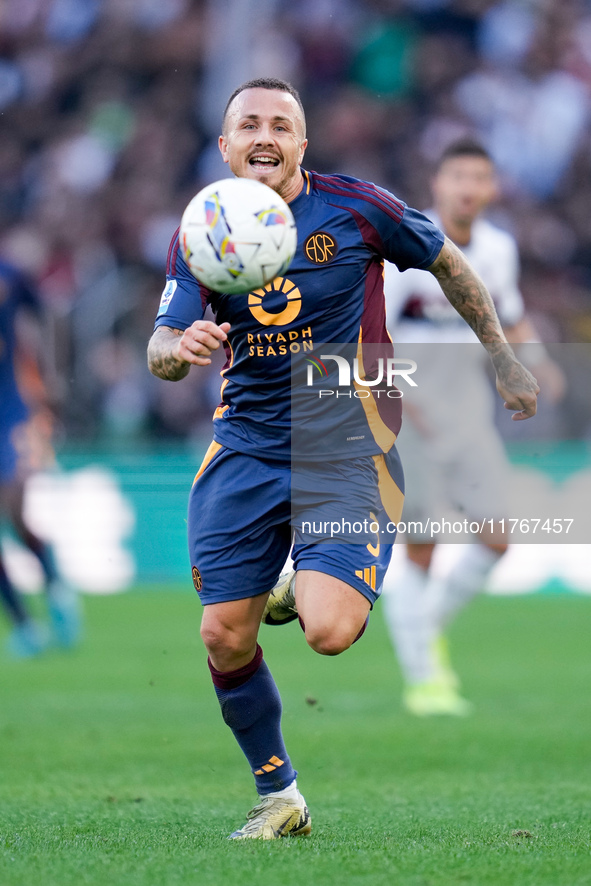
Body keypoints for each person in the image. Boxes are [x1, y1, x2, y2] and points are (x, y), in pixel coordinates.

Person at [147, 79, 538, 840]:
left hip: (346, 447)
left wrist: (502, 357)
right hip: (245, 448)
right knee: (223, 634)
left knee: (328, 631)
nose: (265, 135)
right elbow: (162, 344)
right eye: (248, 124)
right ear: (223, 145)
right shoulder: (203, 226)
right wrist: (179, 347)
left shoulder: (359, 208)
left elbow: (448, 263)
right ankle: (280, 796)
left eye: (281, 125)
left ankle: (302, 585)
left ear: (302, 142)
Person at [381, 138, 564, 717]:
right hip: (410, 414)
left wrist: (535, 363)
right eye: (456, 175)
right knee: (422, 544)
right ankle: (424, 680)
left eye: (478, 177)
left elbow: (508, 317)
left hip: (468, 416)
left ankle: (423, 630)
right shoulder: (407, 249)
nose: (466, 187)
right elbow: (371, 339)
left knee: (496, 538)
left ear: (491, 190)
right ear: (437, 185)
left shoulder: (497, 250)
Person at [0, 258, 81, 657]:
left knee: (15, 506)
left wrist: (51, 370)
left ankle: (54, 586)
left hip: (10, 408)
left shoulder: (11, 272)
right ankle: (24, 624)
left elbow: (48, 313)